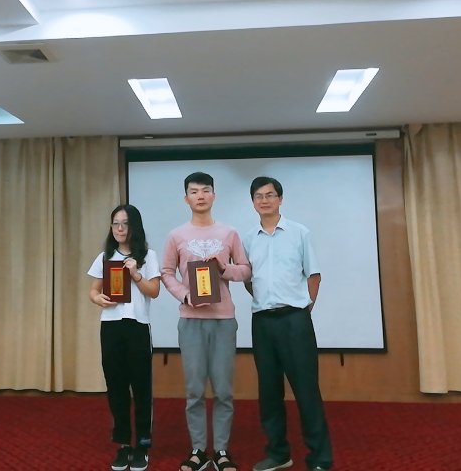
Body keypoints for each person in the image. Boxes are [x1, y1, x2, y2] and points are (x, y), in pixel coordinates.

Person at [161, 171, 251, 471]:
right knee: (194, 390)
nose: (200, 196)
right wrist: (184, 294)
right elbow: (166, 272)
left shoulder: (229, 233)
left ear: (214, 195)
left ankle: (222, 451)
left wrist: (225, 270)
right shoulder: (176, 235)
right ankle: (198, 450)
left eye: (205, 190)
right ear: (186, 198)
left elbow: (245, 269)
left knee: (223, 390)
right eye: (194, 191)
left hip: (223, 320)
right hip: (191, 320)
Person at [242, 177, 333, 471]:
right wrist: (267, 300)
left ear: (280, 199)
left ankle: (320, 457)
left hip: (295, 321)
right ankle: (279, 453)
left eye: (270, 195)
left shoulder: (299, 233)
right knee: (269, 392)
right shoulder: (248, 239)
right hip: (262, 322)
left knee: (306, 390)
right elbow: (248, 280)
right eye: (259, 196)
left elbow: (314, 275)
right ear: (253, 202)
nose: (265, 200)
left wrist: (303, 309)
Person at [88, 204, 161, 471]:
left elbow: (154, 291)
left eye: (125, 224)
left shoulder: (148, 255)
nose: (119, 229)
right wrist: (98, 298)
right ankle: (122, 444)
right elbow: (93, 291)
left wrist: (135, 274)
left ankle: (142, 444)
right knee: (116, 385)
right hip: (111, 327)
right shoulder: (105, 257)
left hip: (138, 327)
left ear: (134, 227)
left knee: (141, 387)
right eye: (115, 224)